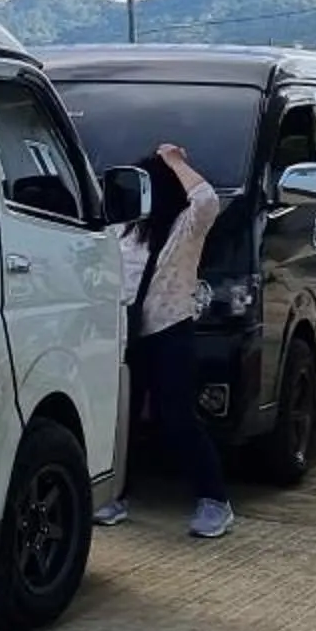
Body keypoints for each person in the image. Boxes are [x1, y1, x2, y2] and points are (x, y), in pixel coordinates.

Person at [92, 142, 234, 539]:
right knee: (122, 420)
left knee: (178, 419)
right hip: (126, 335)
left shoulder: (186, 229)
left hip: (171, 332)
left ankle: (214, 502)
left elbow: (206, 199)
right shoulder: (122, 229)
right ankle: (116, 495)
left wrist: (173, 162)